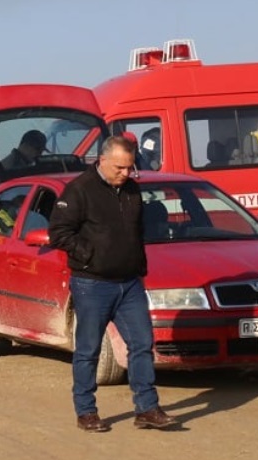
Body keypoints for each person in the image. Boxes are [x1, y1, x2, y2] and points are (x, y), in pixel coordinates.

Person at [47, 135, 179, 433]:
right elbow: (58, 233)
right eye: (119, 167)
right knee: (88, 349)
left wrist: (138, 264)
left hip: (130, 282)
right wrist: (89, 254)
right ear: (102, 160)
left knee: (142, 344)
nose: (126, 173)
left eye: (130, 168)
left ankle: (147, 408)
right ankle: (86, 411)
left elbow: (138, 229)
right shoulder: (79, 189)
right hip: (92, 283)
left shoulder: (132, 190)